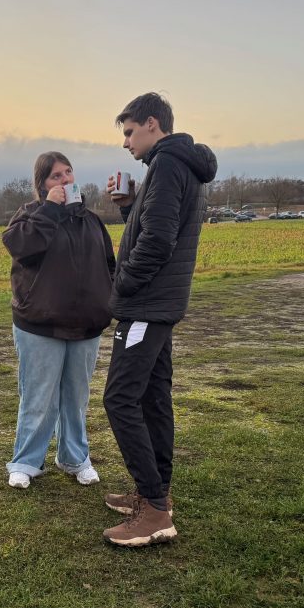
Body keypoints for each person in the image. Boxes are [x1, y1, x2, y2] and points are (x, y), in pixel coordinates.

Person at [101, 93, 217, 547]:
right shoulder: (177, 165)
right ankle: (155, 493)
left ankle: (153, 510)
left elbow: (157, 241)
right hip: (158, 305)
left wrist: (122, 285)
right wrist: (129, 206)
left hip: (146, 306)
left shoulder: (167, 164)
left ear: (153, 123)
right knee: (152, 397)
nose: (126, 142)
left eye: (130, 132)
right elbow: (155, 225)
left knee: (119, 398)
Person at [1, 152, 116, 489]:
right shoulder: (30, 216)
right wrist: (50, 209)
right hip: (40, 324)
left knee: (76, 398)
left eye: (68, 172)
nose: (65, 180)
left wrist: (107, 301)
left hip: (86, 325)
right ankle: (26, 462)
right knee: (39, 398)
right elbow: (21, 247)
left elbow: (109, 265)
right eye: (56, 176)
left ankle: (74, 458)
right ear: (42, 184)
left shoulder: (91, 221)